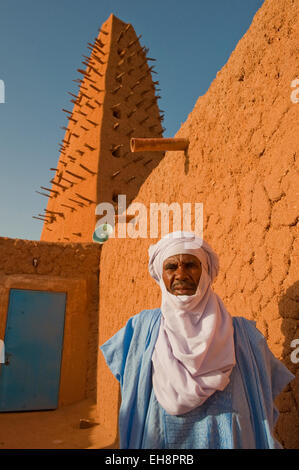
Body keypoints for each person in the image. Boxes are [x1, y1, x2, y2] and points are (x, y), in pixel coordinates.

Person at [100, 231, 294, 449]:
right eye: (171, 267)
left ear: (207, 272)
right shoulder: (139, 330)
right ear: (160, 275)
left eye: (191, 265)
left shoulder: (245, 336)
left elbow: (262, 396)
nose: (181, 274)